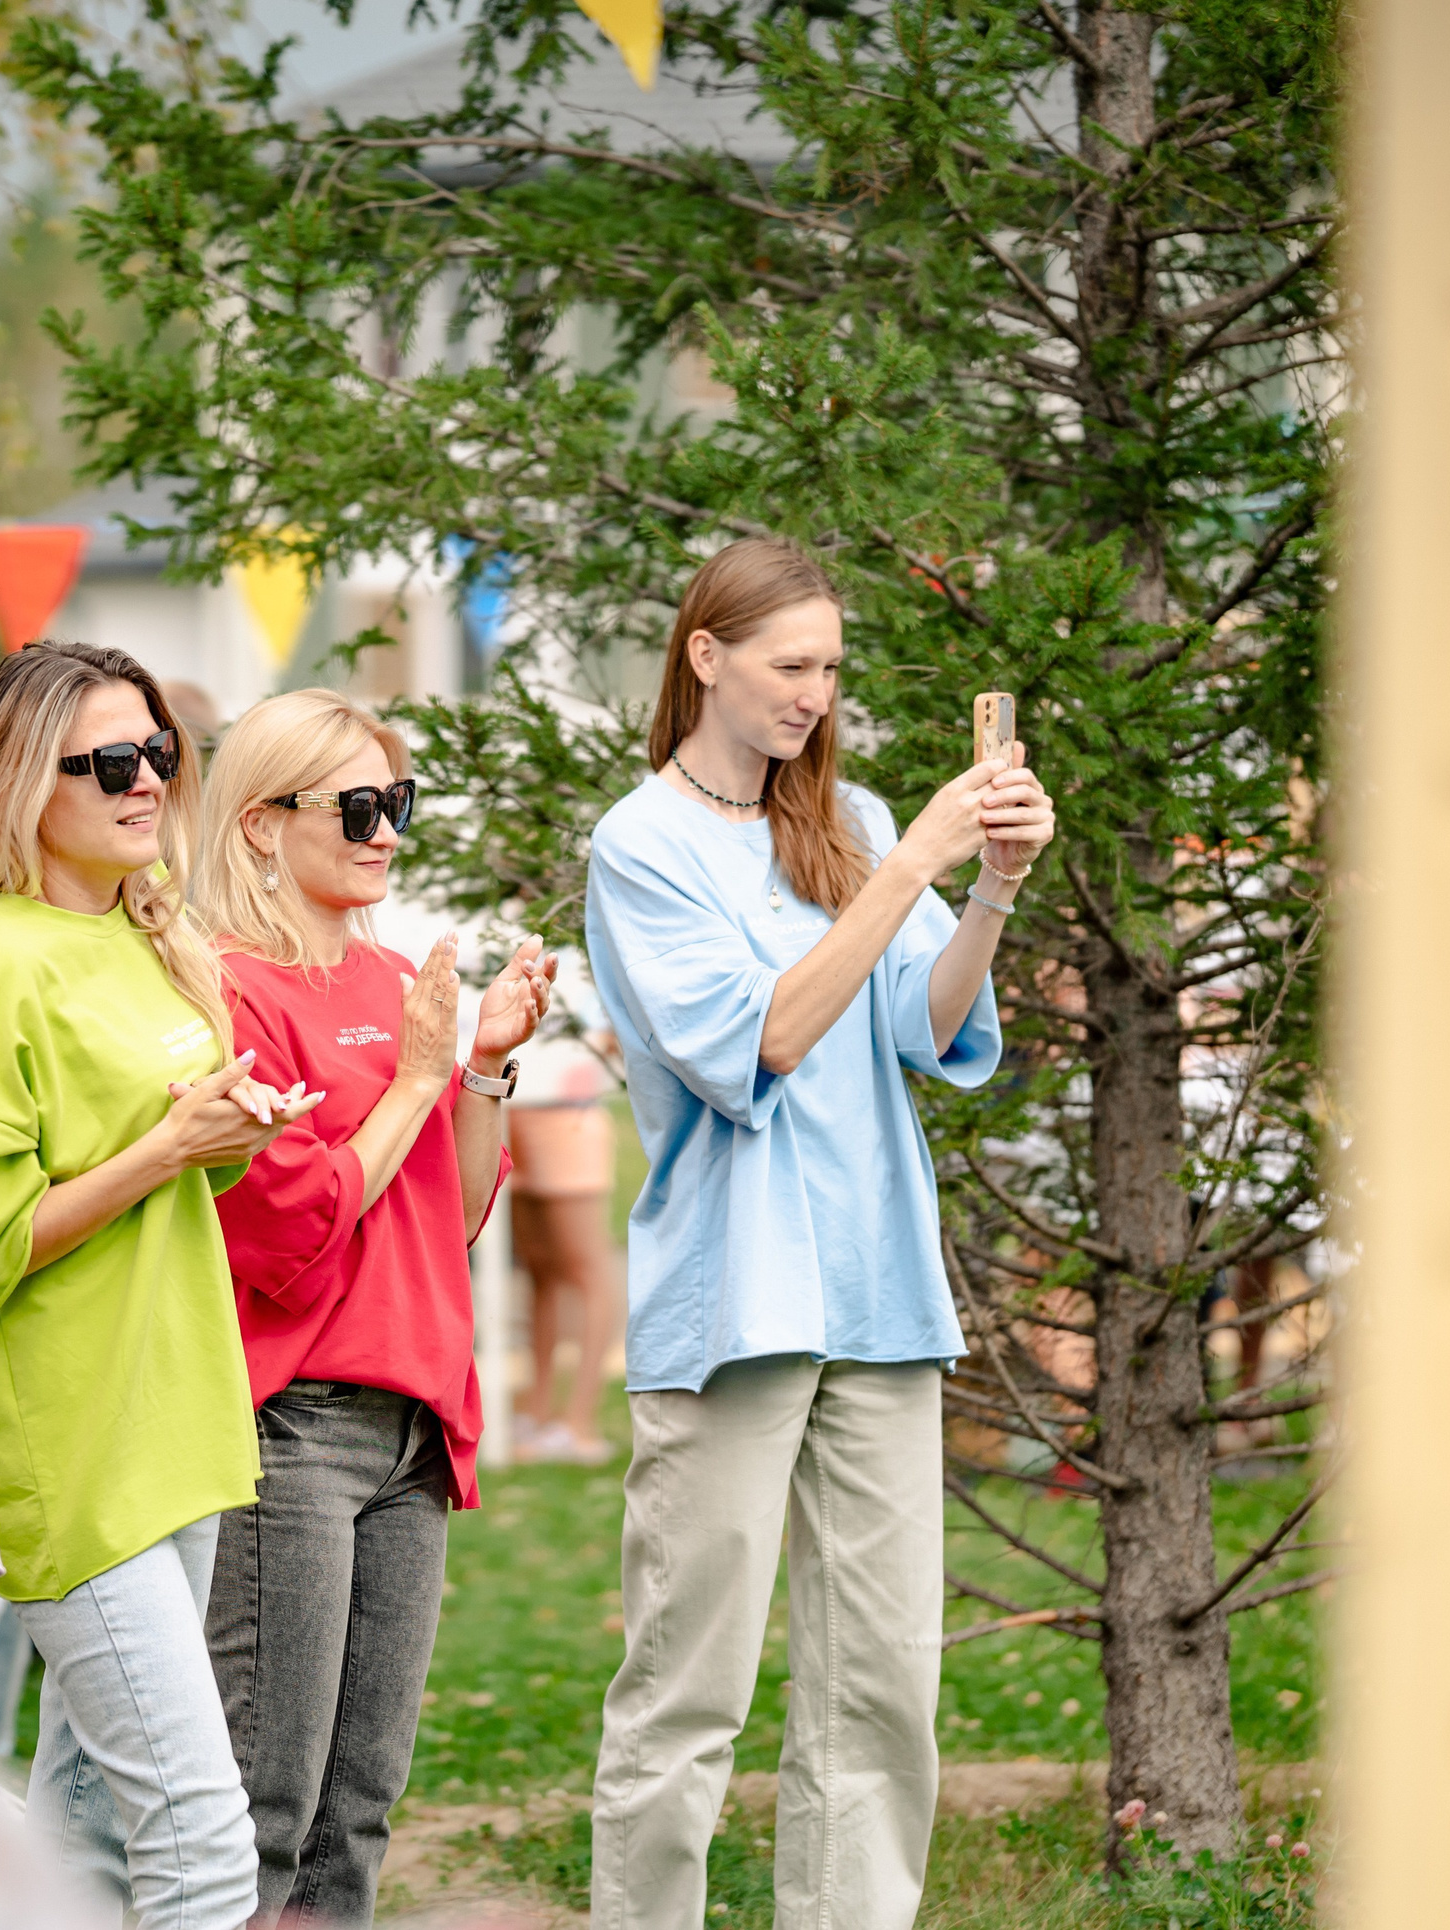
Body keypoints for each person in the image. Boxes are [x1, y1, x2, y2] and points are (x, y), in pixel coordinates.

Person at [582, 537, 1055, 1930]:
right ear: (704, 655)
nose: (814, 691)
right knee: (689, 1691)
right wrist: (912, 861)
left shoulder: (846, 814)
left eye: (831, 666)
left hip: (880, 1293)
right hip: (734, 1299)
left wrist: (993, 890)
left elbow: (921, 1025)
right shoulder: (641, 844)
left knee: (881, 1688)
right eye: (792, 664)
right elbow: (763, 1040)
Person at [0, 641, 313, 1930]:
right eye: (111, 762)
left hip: (174, 1423)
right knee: (200, 1839)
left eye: (158, 753)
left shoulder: (145, 938)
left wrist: (222, 1139)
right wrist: (167, 1150)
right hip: (72, 1450)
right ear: (28, 784)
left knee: (80, 1828)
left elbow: (169, 1180)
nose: (147, 781)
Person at [190, 689, 555, 1926]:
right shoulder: (228, 991)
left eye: (395, 803)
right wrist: (413, 1077)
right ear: (257, 824)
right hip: (294, 1425)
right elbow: (287, 1226)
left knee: (358, 1813)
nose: (387, 831)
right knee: (264, 1807)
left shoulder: (400, 974)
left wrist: (485, 1067)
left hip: (411, 1428)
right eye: (357, 805)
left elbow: (446, 1218)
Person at [505, 989, 623, 1464]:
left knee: (587, 1266)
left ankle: (580, 1422)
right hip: (512, 1108)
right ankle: (537, 1409)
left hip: (569, 1112)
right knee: (539, 1267)